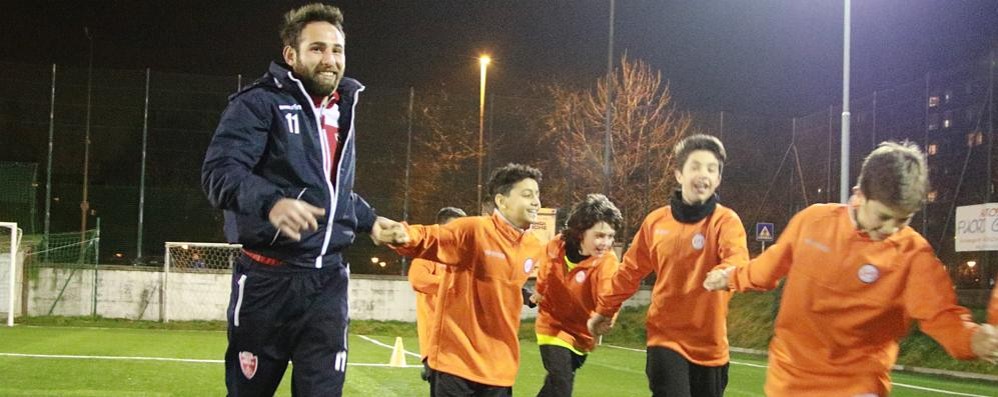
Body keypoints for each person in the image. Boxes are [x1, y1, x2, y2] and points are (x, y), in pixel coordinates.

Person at [201, 4, 400, 396]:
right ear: (291, 55)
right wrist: (272, 202)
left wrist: (370, 220)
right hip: (267, 281)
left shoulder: (345, 107)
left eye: (337, 50)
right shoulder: (257, 104)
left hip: (328, 283)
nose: (330, 60)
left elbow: (331, 191)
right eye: (318, 49)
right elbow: (219, 173)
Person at [704, 141, 998, 396]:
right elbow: (765, 271)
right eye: (883, 217)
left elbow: (941, 315)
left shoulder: (914, 254)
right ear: (859, 194)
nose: (892, 229)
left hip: (859, 385)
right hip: (792, 380)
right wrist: (730, 276)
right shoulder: (812, 222)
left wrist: (972, 338)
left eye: (903, 220)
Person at [588, 134, 749, 397]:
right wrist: (604, 310)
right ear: (678, 174)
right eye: (695, 167)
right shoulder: (656, 222)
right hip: (665, 337)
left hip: (711, 346)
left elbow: (737, 258)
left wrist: (726, 273)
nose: (703, 175)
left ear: (718, 179)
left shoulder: (726, 221)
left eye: (711, 169)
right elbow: (629, 271)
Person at [375, 163, 545, 396]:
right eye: (527, 195)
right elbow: (431, 237)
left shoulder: (533, 246)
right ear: (501, 201)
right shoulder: (473, 230)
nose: (536, 201)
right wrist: (404, 235)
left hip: (499, 367)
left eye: (537, 195)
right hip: (455, 362)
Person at [531, 193, 622, 397]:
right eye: (599, 235)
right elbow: (545, 270)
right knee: (562, 384)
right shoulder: (557, 245)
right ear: (581, 232)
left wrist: (605, 318)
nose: (605, 242)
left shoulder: (607, 262)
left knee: (556, 385)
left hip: (582, 333)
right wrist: (539, 290)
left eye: (610, 236)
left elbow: (609, 295)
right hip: (551, 324)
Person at [408, 206, 467, 394]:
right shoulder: (429, 254)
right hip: (438, 346)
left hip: (464, 344)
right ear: (440, 229)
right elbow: (418, 279)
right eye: (455, 229)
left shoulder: (464, 258)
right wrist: (455, 284)